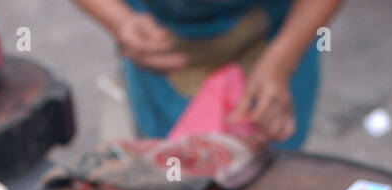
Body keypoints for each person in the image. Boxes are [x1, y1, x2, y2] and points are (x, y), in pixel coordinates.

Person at [72, 0, 344, 149]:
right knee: (171, 181)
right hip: (163, 55)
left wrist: (283, 58)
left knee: (270, 186)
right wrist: (120, 20)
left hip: (276, 38)